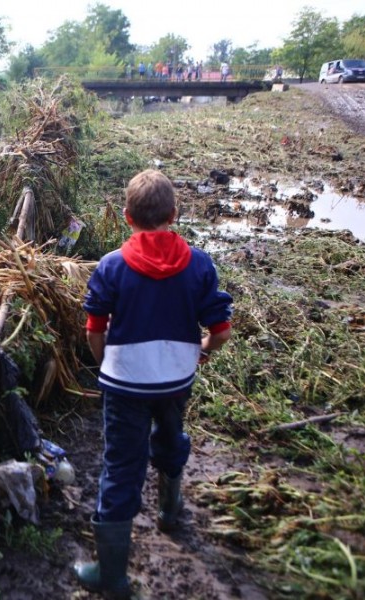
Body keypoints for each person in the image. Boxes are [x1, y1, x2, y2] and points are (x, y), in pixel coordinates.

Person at [73, 169, 233, 599]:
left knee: (122, 465)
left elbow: (94, 328)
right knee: (171, 433)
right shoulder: (199, 264)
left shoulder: (111, 266)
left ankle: (112, 577)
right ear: (174, 215)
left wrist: (108, 365)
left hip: (125, 385)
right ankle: (169, 509)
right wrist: (200, 348)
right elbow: (220, 329)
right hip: (176, 379)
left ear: (127, 217)